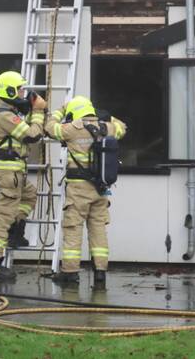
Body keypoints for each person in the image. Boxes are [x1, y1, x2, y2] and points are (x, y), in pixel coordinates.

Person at [45, 95, 127, 288]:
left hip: (78, 188)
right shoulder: (107, 127)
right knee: (98, 229)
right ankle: (100, 273)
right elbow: (123, 127)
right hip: (100, 188)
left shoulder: (73, 129)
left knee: (73, 228)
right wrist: (106, 117)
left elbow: (50, 128)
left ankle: (70, 273)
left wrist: (61, 110)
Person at [0, 70, 47, 281]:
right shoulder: (3, 114)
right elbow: (32, 135)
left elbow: (20, 127)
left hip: (14, 171)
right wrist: (38, 112)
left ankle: (15, 233)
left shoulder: (9, 111)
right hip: (8, 172)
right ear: (9, 90)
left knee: (30, 195)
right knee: (4, 215)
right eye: (19, 89)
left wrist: (28, 109)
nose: (22, 93)